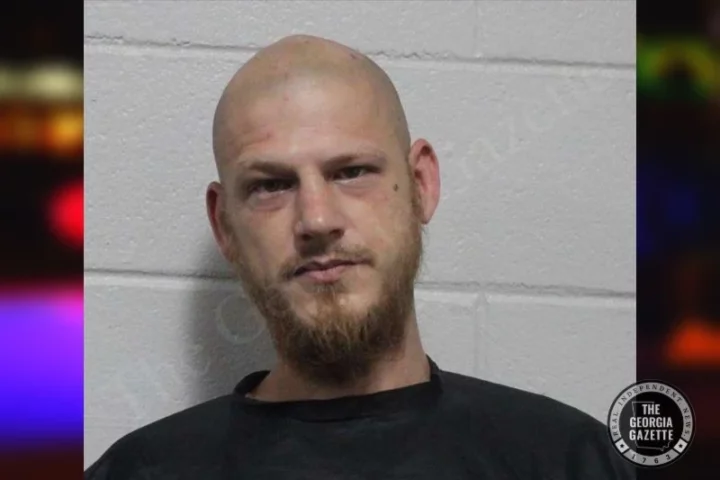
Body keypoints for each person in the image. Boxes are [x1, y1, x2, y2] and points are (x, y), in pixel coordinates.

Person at [85, 34, 635, 479]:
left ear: (421, 185)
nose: (316, 220)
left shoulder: (569, 460)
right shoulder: (141, 471)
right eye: (271, 185)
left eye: (351, 172)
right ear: (224, 225)